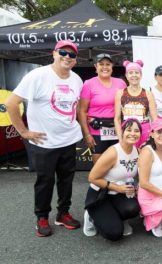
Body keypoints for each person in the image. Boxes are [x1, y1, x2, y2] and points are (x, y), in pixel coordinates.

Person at [5, 40, 82, 237]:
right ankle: (41, 217)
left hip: (69, 139)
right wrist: (23, 132)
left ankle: (62, 214)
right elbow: (11, 104)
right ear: (54, 53)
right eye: (63, 52)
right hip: (44, 142)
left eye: (72, 55)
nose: (67, 57)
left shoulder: (77, 80)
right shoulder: (38, 76)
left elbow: (75, 107)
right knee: (45, 181)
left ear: (75, 60)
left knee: (66, 180)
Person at [84, 119, 142, 241]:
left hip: (119, 194)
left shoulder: (137, 151)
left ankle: (119, 218)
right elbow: (92, 177)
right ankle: (90, 215)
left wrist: (137, 187)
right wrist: (117, 187)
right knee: (114, 233)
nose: (133, 133)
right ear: (121, 132)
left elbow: (136, 174)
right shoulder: (113, 152)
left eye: (136, 131)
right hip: (100, 194)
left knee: (134, 208)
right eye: (129, 130)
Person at [78, 54, 127, 164]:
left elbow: (126, 107)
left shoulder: (121, 83)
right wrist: (86, 134)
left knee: (118, 164)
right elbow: (82, 111)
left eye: (108, 64)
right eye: (101, 64)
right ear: (96, 66)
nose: (105, 67)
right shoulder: (88, 84)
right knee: (100, 167)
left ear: (112, 66)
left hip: (117, 129)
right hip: (96, 130)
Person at [114, 60, 157, 148]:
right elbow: (117, 119)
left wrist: (153, 136)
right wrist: (120, 137)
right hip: (127, 131)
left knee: (144, 159)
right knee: (129, 159)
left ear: (141, 75)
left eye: (136, 73)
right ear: (126, 75)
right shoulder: (120, 93)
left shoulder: (148, 94)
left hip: (145, 131)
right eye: (130, 73)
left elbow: (155, 119)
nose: (134, 75)